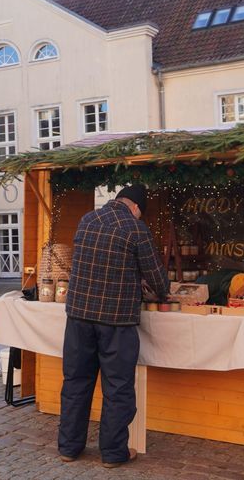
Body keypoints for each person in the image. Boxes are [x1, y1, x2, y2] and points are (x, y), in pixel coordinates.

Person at [58, 184, 169, 468]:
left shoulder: (87, 219)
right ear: (135, 208)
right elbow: (157, 277)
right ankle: (113, 453)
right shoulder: (135, 228)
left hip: (79, 317)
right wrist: (161, 291)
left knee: (75, 383)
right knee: (118, 388)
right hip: (116, 320)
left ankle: (69, 448)